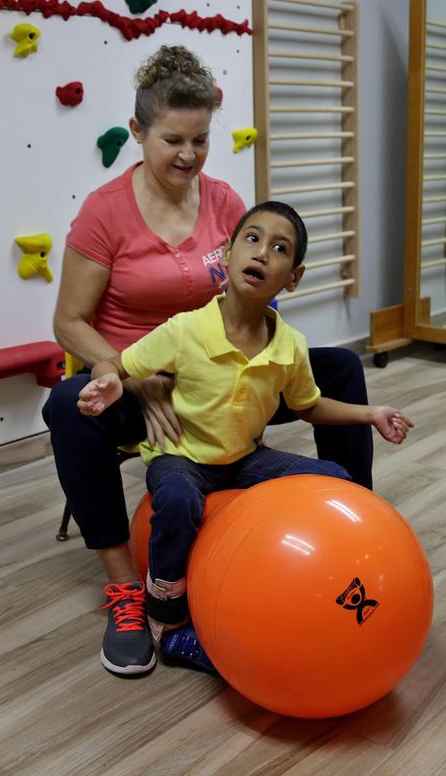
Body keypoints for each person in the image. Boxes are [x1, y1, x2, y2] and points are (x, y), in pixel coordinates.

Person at [41, 45, 376, 677]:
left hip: (216, 380)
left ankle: (354, 525)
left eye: (200, 140)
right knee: (64, 406)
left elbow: (255, 284)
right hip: (139, 391)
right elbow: (67, 322)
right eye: (172, 139)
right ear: (137, 132)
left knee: (342, 369)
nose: (187, 156)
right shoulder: (103, 212)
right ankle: (125, 593)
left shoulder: (223, 202)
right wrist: (130, 376)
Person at [78, 201, 413, 673]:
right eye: (252, 240)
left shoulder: (290, 345)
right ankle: (165, 620)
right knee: (175, 500)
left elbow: (308, 406)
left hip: (243, 460)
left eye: (279, 248)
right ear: (226, 251)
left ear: (292, 277)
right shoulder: (185, 329)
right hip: (183, 456)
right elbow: (118, 364)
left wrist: (370, 412)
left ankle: (323, 576)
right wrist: (111, 381)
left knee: (335, 477)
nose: (261, 253)